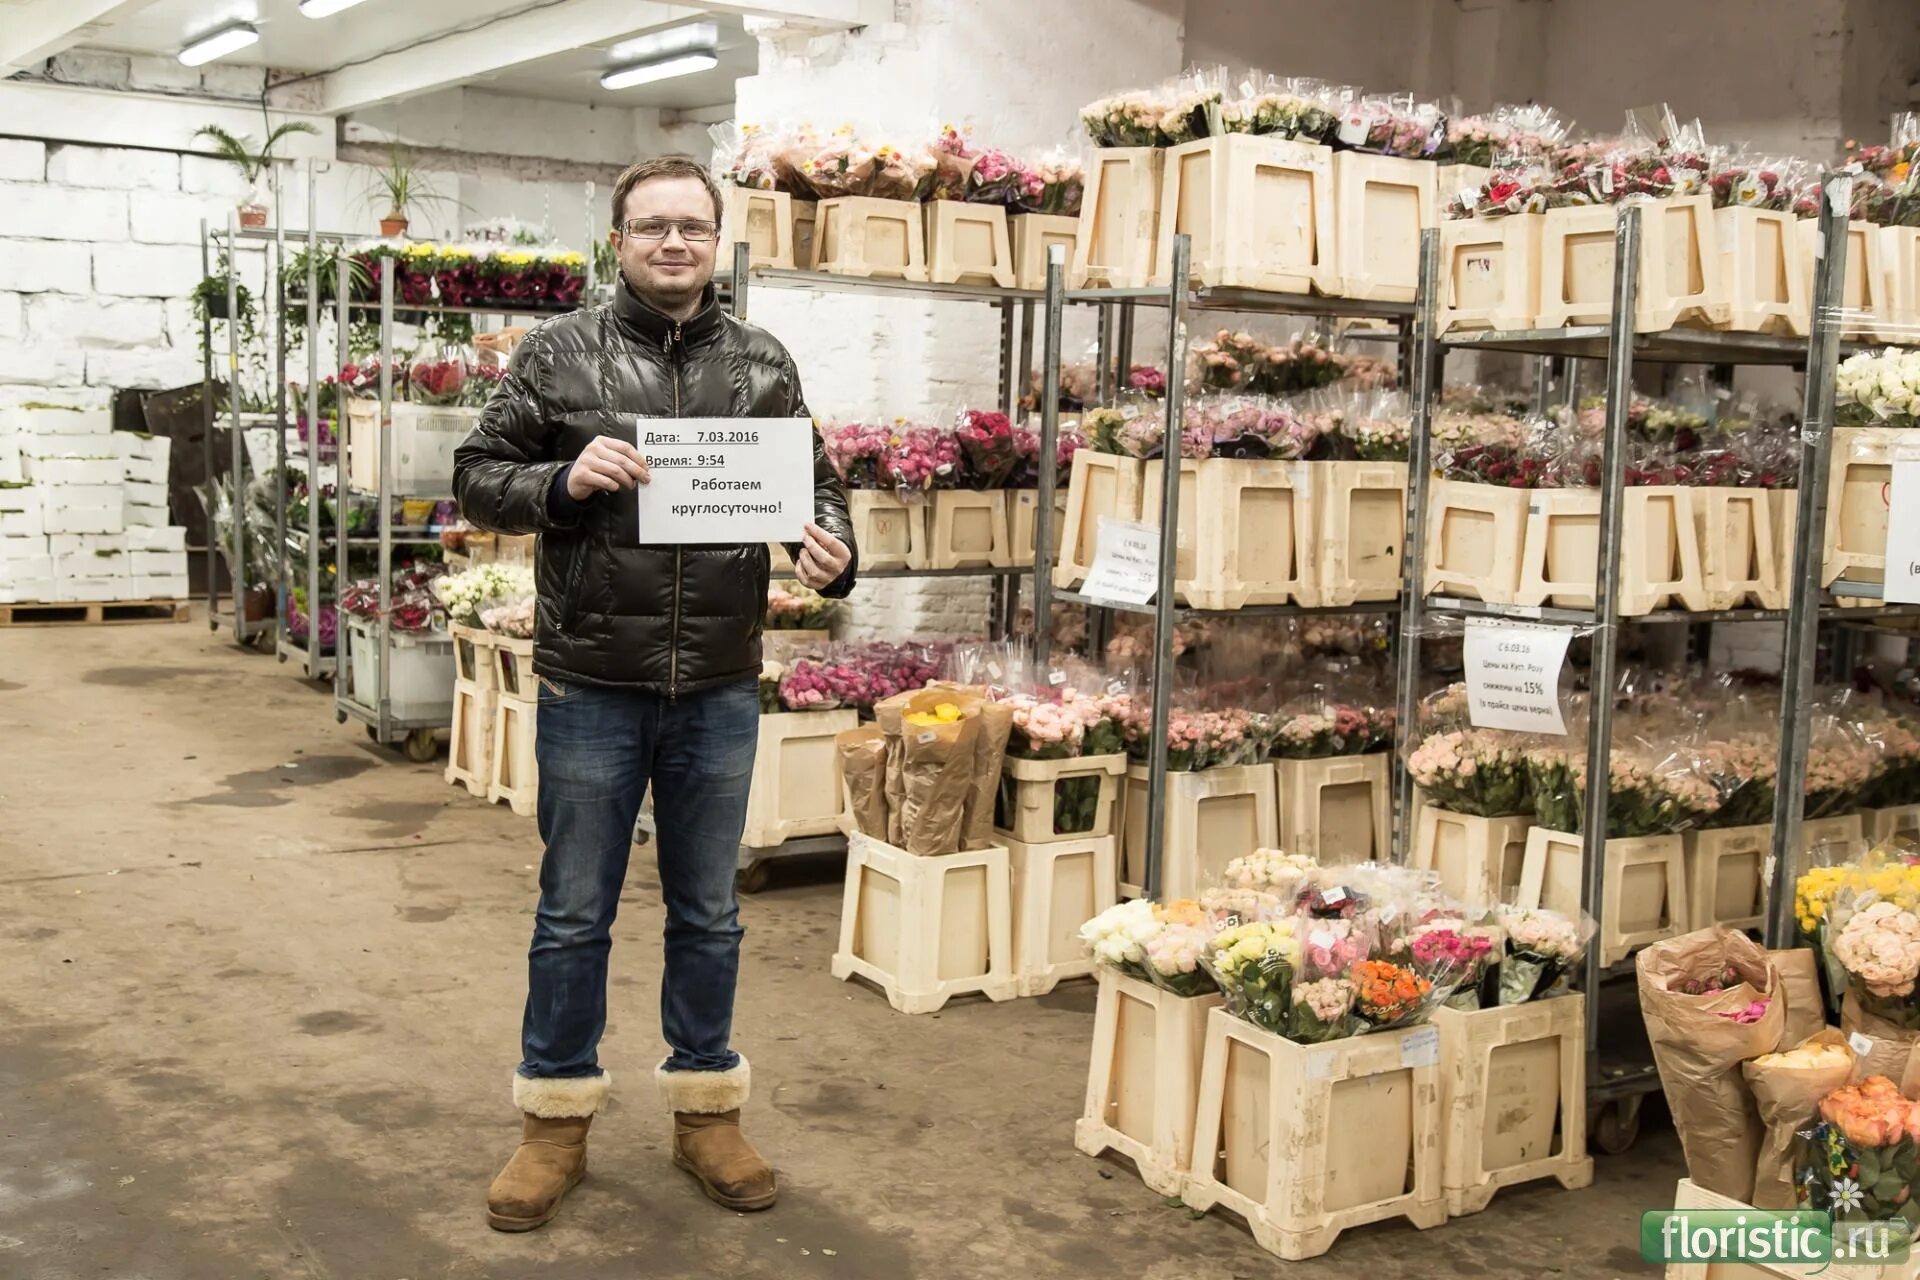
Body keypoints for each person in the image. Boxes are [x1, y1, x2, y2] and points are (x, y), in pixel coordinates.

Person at [453, 155, 856, 1232]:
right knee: (573, 910)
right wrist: (561, 482)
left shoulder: (763, 362)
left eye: (692, 226)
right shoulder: (557, 352)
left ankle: (706, 1107)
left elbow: (815, 482)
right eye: (652, 227)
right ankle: (553, 1120)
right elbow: (477, 472)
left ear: (716, 239)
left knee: (710, 912)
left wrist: (832, 548)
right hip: (593, 678)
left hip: (718, 682)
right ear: (618, 238)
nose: (673, 244)